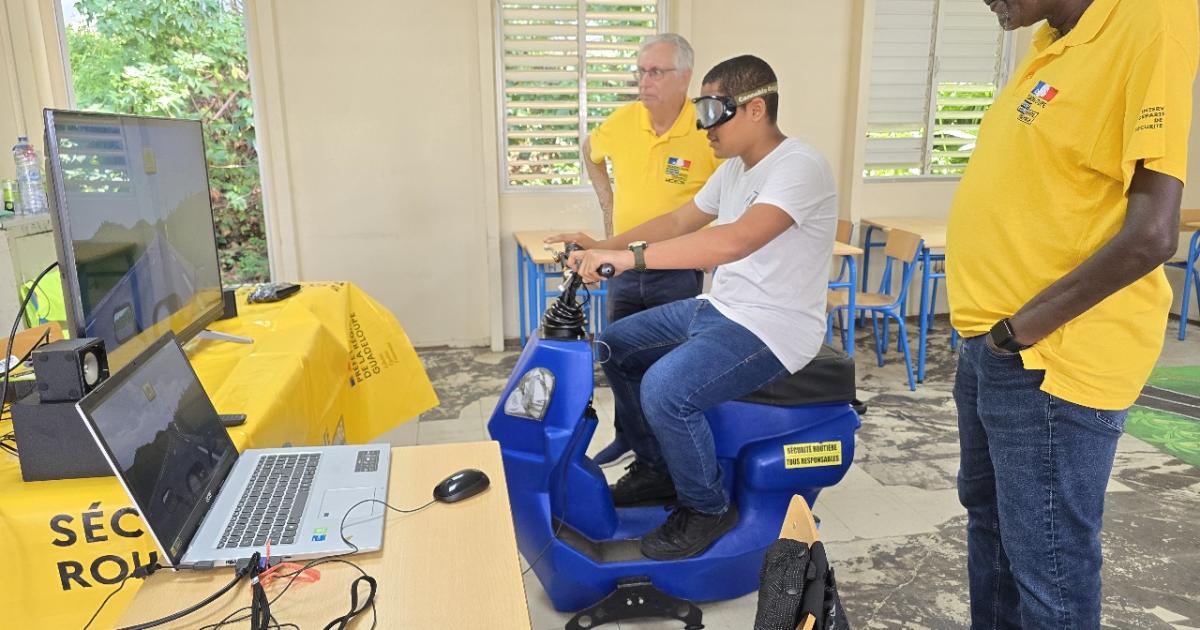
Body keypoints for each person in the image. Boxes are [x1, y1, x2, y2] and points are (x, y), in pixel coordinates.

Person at [946, 0, 1197, 627]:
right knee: (993, 532)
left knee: (1047, 570)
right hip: (994, 345)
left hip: (1049, 358)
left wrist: (1018, 331)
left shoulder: (1151, 22)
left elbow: (1151, 236)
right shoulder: (1054, 39)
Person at [567, 55, 837, 560]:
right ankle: (657, 468)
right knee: (615, 345)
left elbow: (733, 242)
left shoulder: (800, 166)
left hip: (774, 327)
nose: (701, 125)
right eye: (700, 109)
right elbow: (675, 222)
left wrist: (627, 260)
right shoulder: (735, 170)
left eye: (712, 110)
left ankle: (706, 508)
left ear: (755, 109)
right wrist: (601, 246)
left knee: (666, 388)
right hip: (722, 307)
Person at [546, 33, 720, 467]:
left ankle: (667, 457)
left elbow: (727, 195)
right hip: (621, 269)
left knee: (670, 369)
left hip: (676, 270)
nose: (645, 81)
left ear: (685, 77)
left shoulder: (706, 130)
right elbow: (590, 151)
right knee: (617, 357)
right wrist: (608, 206)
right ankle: (631, 439)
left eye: (656, 72)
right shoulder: (623, 121)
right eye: (641, 71)